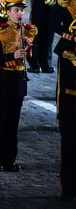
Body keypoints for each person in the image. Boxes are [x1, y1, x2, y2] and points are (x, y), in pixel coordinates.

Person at [0, 0, 37, 172]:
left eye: (21, 10)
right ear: (7, 12)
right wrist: (11, 54)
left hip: (18, 80)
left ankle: (9, 159)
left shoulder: (28, 31)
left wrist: (30, 49)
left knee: (13, 123)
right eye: (16, 10)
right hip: (2, 81)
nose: (20, 13)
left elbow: (33, 61)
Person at [55, 19, 76, 202]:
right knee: (69, 149)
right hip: (71, 106)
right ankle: (68, 189)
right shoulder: (68, 52)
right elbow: (66, 81)